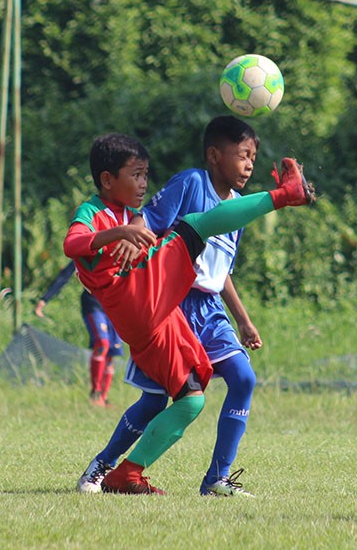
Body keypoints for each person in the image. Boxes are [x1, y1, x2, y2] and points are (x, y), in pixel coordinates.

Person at [63, 132, 314, 494]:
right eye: (135, 174)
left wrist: (129, 228)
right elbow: (71, 243)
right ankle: (285, 195)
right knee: (197, 224)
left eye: (146, 174)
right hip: (137, 298)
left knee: (192, 399)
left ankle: (127, 474)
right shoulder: (94, 212)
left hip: (153, 318)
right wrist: (115, 233)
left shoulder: (130, 216)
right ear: (107, 179)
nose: (143, 183)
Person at [33, 261, 124, 406]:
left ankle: (104, 399)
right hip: (93, 304)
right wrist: (45, 299)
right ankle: (95, 393)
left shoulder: (120, 248)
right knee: (102, 343)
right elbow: (65, 275)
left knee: (111, 353)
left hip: (114, 305)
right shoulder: (87, 250)